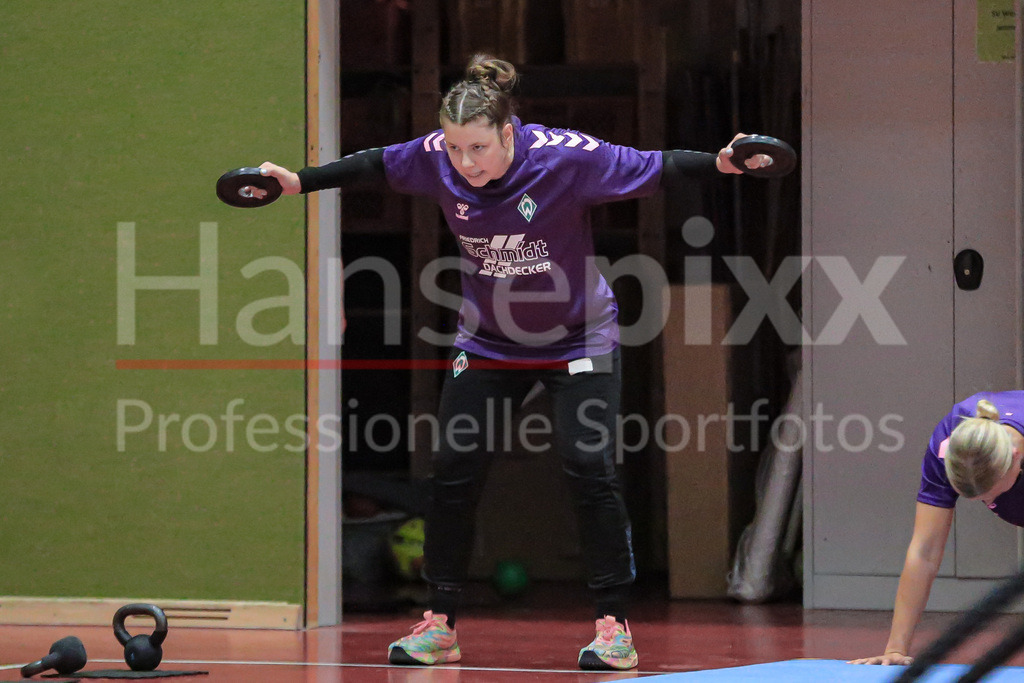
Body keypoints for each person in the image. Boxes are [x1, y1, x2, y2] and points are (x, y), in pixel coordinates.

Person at [259, 54, 770, 671]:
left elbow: (657, 166)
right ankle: (440, 625)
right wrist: (298, 181)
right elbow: (375, 164)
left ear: (509, 133)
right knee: (453, 471)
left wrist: (724, 159)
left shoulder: (568, 158)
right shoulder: (436, 157)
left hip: (579, 338)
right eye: (453, 150)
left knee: (589, 469)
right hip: (488, 341)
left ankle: (613, 628)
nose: (464, 164)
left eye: (477, 148)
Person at [849, 391, 1024, 667]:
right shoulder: (950, 443)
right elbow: (925, 550)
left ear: (1015, 458)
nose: (990, 504)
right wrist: (895, 649)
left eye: (991, 495)